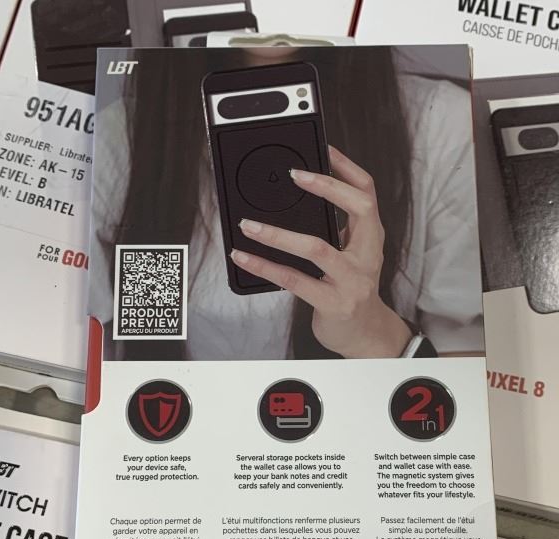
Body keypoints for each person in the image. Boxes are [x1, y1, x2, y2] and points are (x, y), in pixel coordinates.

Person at [90, 46, 484, 361]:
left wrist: (371, 336)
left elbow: (462, 399)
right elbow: (134, 352)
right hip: (179, 428)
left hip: (357, 430)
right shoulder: (125, 142)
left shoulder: (438, 128)